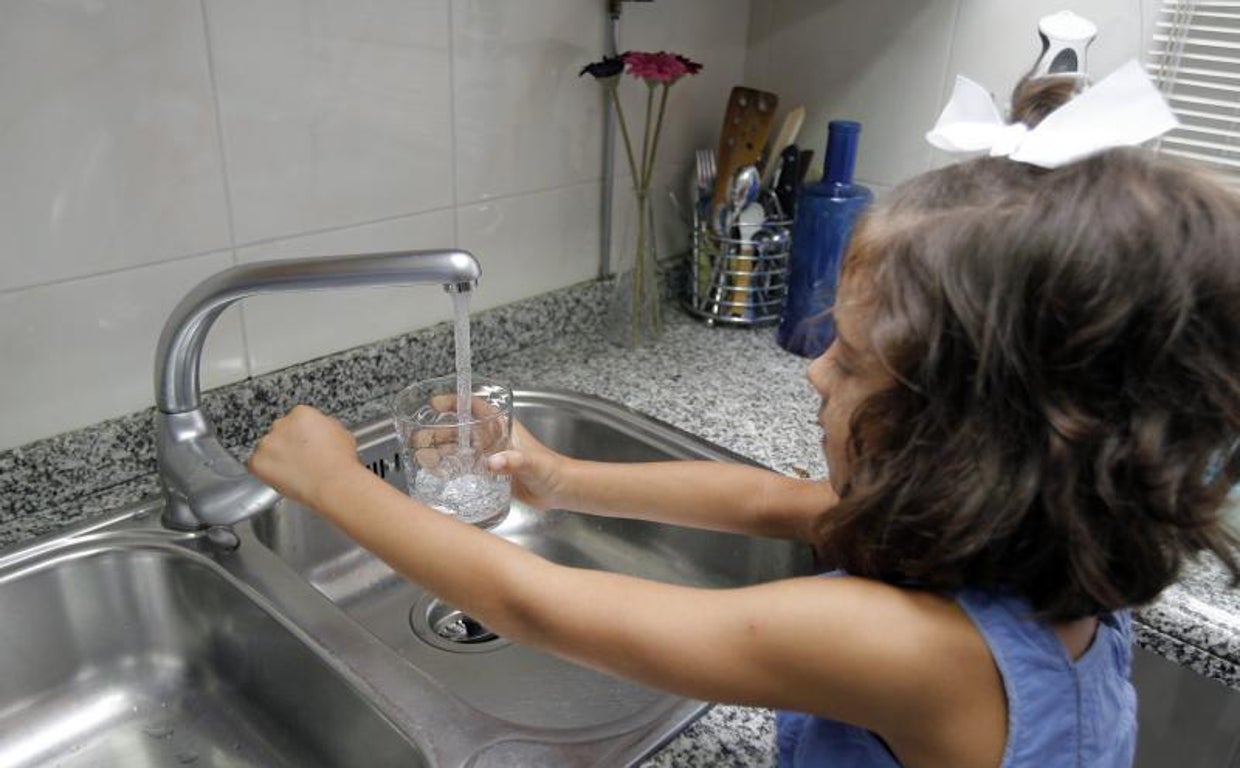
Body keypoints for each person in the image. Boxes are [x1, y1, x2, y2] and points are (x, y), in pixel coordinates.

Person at [248, 76, 1240, 767]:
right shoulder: (1034, 553)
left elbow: (536, 606)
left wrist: (335, 483)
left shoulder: (912, 651)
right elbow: (770, 501)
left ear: (977, 440)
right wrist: (561, 480)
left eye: (850, 360)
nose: (813, 374)